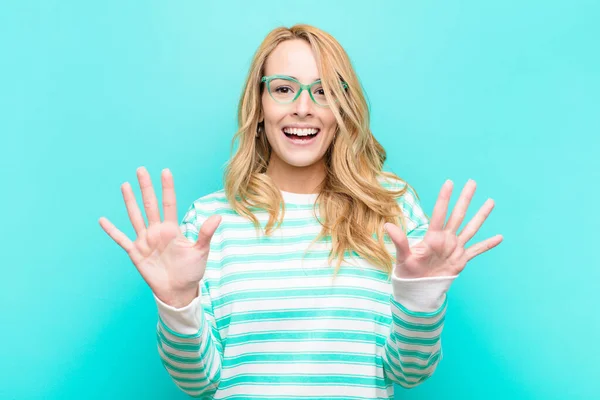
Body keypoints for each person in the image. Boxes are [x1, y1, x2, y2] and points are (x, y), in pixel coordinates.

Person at [99, 24, 503, 399]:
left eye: (323, 90)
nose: (303, 107)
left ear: (343, 108)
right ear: (259, 105)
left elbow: (410, 371)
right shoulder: (210, 222)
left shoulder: (391, 211)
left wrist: (420, 301)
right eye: (283, 88)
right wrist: (178, 303)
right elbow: (198, 380)